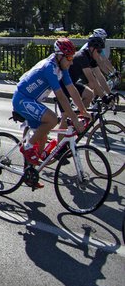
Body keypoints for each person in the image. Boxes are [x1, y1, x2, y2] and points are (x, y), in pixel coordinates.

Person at [12, 38, 90, 188]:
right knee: (53, 119)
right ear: (59, 56)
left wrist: (83, 111)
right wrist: (75, 119)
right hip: (22, 99)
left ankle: (29, 174)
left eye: (72, 58)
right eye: (69, 58)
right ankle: (27, 147)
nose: (71, 62)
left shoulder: (62, 67)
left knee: (43, 137)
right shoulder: (49, 68)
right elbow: (60, 96)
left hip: (31, 100)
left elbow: (71, 89)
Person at [65, 33, 113, 106]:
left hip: (72, 82)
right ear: (91, 48)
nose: (99, 54)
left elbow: (99, 76)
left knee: (89, 94)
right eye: (98, 51)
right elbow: (92, 80)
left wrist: (109, 94)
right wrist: (103, 97)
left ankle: (79, 115)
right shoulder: (82, 57)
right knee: (66, 114)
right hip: (64, 83)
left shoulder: (91, 57)